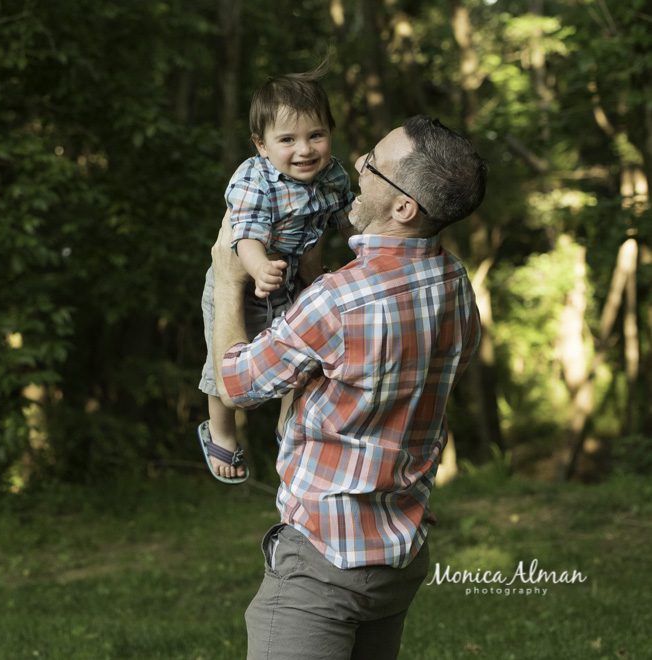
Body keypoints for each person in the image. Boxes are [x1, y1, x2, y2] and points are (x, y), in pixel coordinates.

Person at [210, 115, 487, 659]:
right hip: (400, 558)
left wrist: (226, 279)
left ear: (403, 208)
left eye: (374, 165)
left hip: (322, 563)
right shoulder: (455, 284)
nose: (357, 164)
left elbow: (237, 384)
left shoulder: (338, 300)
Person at [198, 67, 355, 484]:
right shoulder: (255, 178)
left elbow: (346, 217)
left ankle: (290, 422)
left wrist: (361, 244)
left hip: (289, 278)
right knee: (223, 365)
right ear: (261, 145)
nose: (304, 150)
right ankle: (221, 432)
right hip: (246, 278)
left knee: (303, 355)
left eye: (316, 135)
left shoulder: (333, 175)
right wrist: (258, 268)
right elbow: (244, 234)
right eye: (287, 140)